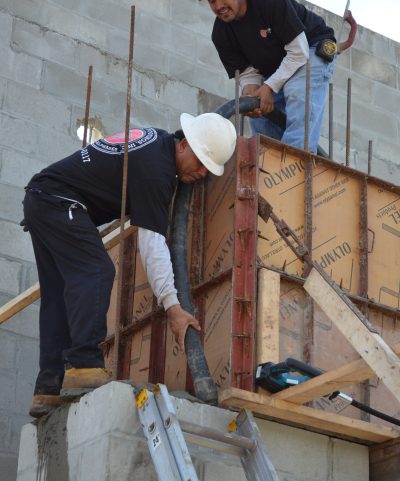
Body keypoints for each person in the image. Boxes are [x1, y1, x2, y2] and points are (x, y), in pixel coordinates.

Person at [23, 112, 237, 418]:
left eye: (209, 168)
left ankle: (48, 387)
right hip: (59, 201)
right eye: (202, 161)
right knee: (96, 270)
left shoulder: (157, 144)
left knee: (58, 293)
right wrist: (173, 306)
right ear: (184, 145)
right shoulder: (156, 171)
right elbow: (152, 246)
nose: (203, 173)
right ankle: (84, 365)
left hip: (42, 199)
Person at [208, 0, 336, 152]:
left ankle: (295, 165)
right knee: (260, 117)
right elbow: (247, 73)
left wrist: (269, 87)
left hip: (310, 48)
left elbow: (299, 52)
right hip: (277, 66)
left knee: (297, 92)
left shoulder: (269, 3)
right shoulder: (220, 34)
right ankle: (270, 168)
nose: (218, 6)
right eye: (211, 1)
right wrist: (251, 95)